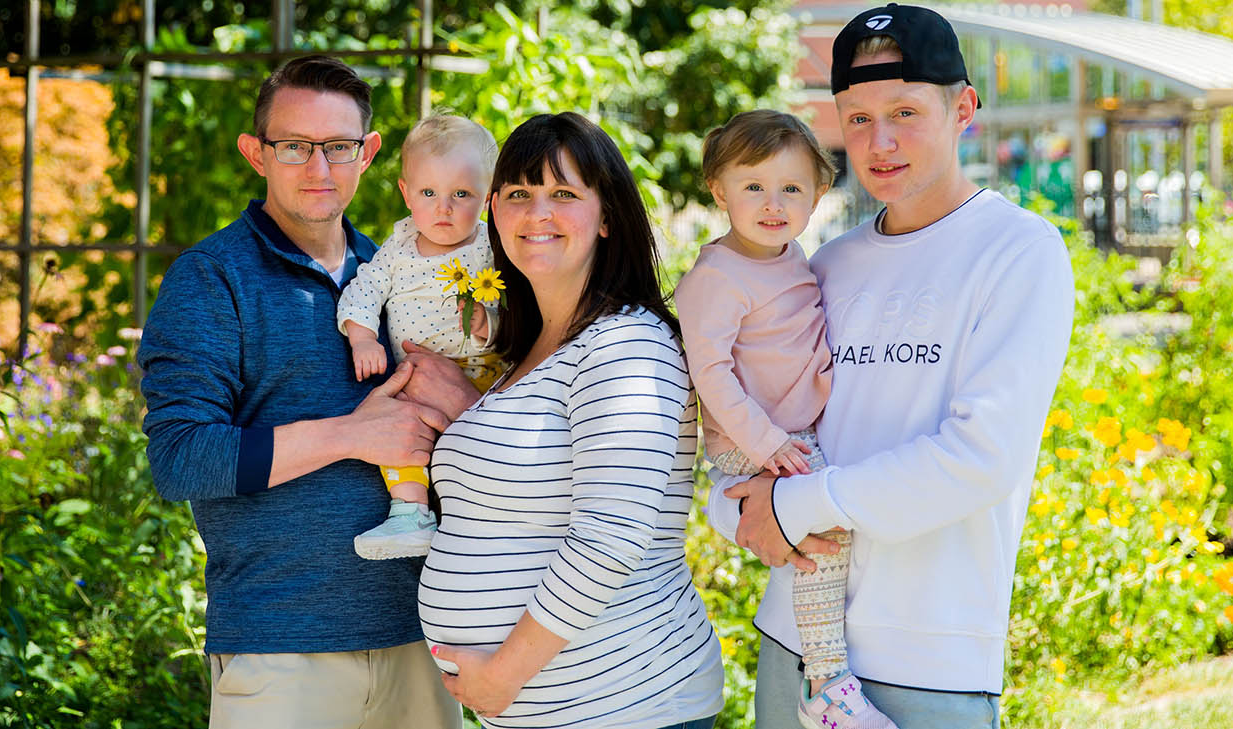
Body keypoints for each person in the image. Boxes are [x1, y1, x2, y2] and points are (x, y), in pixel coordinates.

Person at [705, 5, 1075, 729]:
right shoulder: (826, 265)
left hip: (931, 663)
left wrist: (796, 506)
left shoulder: (1020, 252)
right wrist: (737, 513)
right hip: (793, 643)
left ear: (963, 107)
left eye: (904, 111)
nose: (880, 142)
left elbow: (981, 458)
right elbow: (754, 417)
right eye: (858, 116)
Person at [137, 55, 472, 729]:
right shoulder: (211, 278)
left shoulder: (402, 273)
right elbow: (180, 458)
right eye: (294, 146)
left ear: (369, 153)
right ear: (257, 153)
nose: (318, 169)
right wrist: (353, 433)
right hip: (280, 650)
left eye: (339, 147)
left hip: (420, 640)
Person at [419, 112, 725, 729]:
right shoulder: (524, 353)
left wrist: (501, 676)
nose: (538, 214)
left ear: (606, 216)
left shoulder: (626, 345)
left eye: (563, 194)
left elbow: (609, 539)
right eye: (518, 195)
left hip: (627, 704)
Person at [675, 110, 896, 729]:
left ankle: (827, 675)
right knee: (824, 534)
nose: (773, 204)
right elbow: (710, 375)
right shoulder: (716, 277)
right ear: (719, 191)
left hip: (789, 432)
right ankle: (826, 683)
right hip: (760, 439)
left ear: (818, 195)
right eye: (753, 187)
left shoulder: (790, 252)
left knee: (824, 533)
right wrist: (768, 442)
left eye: (791, 189)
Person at [337, 113, 504, 560]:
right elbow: (365, 289)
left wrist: (488, 323)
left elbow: (520, 308)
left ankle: (481, 520)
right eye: (429, 193)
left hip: (482, 373)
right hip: (411, 375)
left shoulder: (491, 246)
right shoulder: (398, 247)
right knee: (398, 429)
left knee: (474, 451)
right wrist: (362, 339)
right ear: (407, 193)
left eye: (461, 194)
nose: (443, 208)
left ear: (486, 199)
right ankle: (410, 514)